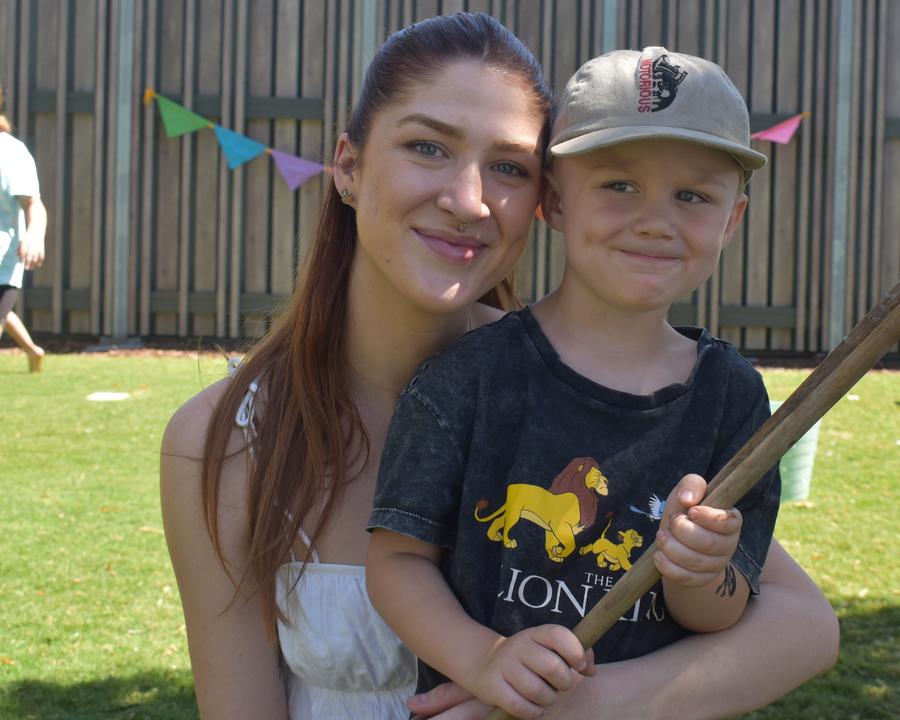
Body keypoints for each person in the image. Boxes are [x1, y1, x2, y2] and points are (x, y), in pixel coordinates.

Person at [160, 13, 837, 720]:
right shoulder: (222, 442)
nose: (467, 200)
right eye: (428, 147)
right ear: (348, 166)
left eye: (508, 167)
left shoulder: (595, 391)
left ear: (540, 198)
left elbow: (799, 625)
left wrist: (566, 705)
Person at [367, 46, 783, 720]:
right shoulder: (467, 378)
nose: (656, 219)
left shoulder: (732, 398)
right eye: (619, 185)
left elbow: (723, 612)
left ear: (731, 220)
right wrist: (483, 658)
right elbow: (396, 562)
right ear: (554, 201)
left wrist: (702, 574)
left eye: (693, 196)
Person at [0, 81, 48, 373]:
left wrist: (35, 235)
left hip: (3, 265)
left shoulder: (11, 153)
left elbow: (34, 204)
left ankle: (33, 351)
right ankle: (33, 351)